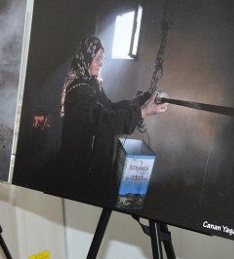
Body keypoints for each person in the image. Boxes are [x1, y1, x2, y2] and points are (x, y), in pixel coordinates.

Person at [58, 36, 167, 201]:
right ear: (85, 59)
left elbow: (108, 107)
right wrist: (142, 112)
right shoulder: (78, 90)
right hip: (79, 165)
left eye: (103, 58)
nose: (101, 63)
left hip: (91, 161)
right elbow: (104, 120)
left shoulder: (92, 84)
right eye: (97, 59)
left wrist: (135, 104)